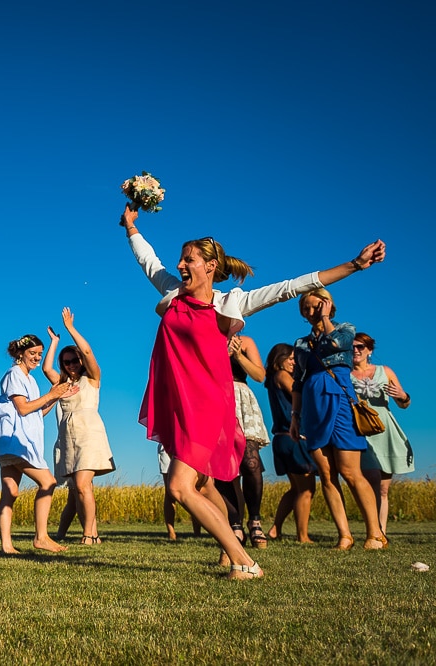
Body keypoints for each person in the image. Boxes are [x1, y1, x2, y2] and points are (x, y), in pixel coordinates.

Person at [121, 202, 385, 578]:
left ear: (211, 266)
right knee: (202, 484)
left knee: (180, 488)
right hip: (180, 403)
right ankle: (234, 552)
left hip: (208, 405)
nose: (180, 266)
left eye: (189, 260)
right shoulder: (173, 292)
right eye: (180, 260)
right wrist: (131, 228)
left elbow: (293, 286)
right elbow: (148, 261)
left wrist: (355, 265)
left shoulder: (231, 303)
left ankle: (244, 562)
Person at [290, 290, 386, 550]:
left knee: (349, 471)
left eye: (314, 307)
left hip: (339, 398)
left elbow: (335, 344)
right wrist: (295, 416)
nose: (310, 314)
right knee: (326, 473)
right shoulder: (300, 344)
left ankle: (375, 533)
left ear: (327, 305)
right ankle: (344, 535)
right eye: (306, 310)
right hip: (312, 404)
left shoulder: (345, 329)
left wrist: (325, 319)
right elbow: (297, 381)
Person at [0, 334, 76, 554]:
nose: (37, 358)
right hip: (13, 439)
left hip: (15, 439)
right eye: (32, 353)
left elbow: (37, 413)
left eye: (39, 354)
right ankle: (41, 537)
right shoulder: (14, 374)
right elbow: (23, 408)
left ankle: (7, 546)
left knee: (11, 492)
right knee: (48, 482)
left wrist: (57, 396)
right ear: (20, 353)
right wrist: (52, 393)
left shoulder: (30, 379)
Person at [42, 308, 116, 545]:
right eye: (67, 362)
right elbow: (46, 369)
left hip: (89, 435)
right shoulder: (62, 383)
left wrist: (70, 329)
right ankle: (61, 535)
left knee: (83, 486)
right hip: (66, 439)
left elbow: (86, 350)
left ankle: (90, 535)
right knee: (75, 493)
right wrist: (54, 342)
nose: (71, 364)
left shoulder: (92, 378)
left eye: (74, 360)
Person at [351, 332, 414, 535]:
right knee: (371, 478)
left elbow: (403, 404)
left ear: (369, 350)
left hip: (384, 429)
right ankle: (374, 530)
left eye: (361, 346)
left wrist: (403, 396)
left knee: (383, 489)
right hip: (361, 430)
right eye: (352, 347)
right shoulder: (345, 373)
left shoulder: (384, 371)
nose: (356, 350)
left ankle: (381, 532)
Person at [214, 334, 271, 548]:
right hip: (216, 398)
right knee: (225, 468)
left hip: (241, 399)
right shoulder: (207, 339)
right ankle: (234, 523)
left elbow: (259, 375)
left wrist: (237, 355)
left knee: (251, 462)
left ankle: (254, 520)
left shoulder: (245, 341)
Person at [263, 343, 317, 543]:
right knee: (306, 488)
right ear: (280, 360)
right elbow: (299, 394)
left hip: (282, 438)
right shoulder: (283, 376)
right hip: (293, 437)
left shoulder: (271, 380)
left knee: (295, 488)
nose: (295, 363)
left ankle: (275, 529)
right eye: (291, 358)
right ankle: (302, 536)